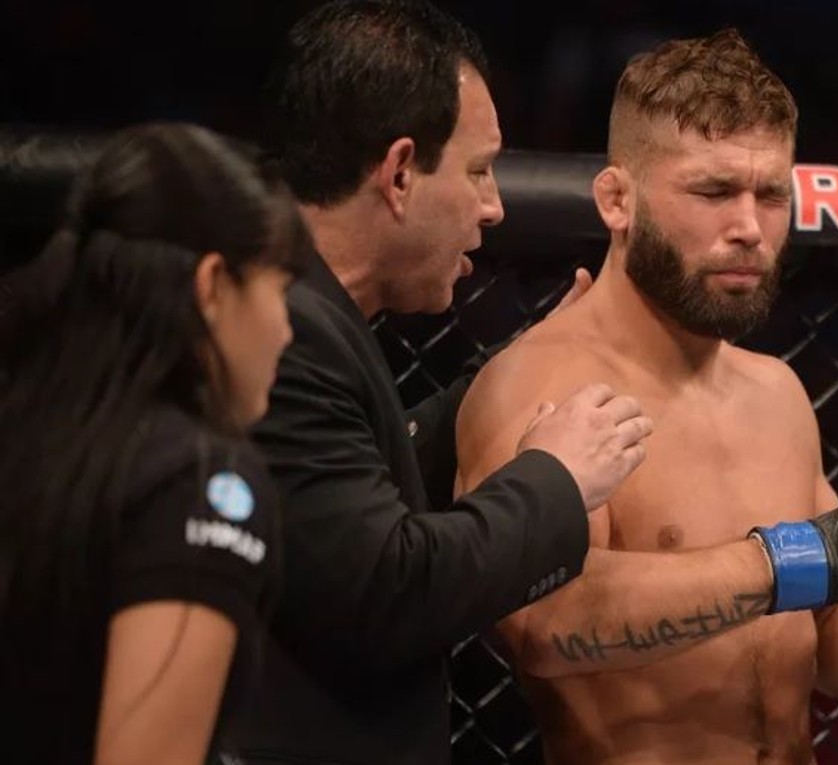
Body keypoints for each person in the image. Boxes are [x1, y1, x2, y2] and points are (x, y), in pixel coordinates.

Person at [455, 29, 838, 763]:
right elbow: (543, 624)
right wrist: (801, 558)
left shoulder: (776, 391)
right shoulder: (545, 385)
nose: (749, 229)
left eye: (771, 196)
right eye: (713, 192)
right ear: (617, 200)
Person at [229, 2, 653, 763]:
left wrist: (502, 377)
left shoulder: (296, 302)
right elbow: (386, 593)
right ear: (399, 174)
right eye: (479, 171)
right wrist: (555, 477)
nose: (494, 207)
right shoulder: (280, 330)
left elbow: (340, 498)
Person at [0, 122, 307, 764]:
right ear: (213, 285)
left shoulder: (31, 433)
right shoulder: (200, 482)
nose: (286, 329)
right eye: (280, 289)